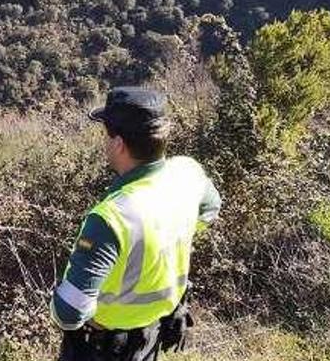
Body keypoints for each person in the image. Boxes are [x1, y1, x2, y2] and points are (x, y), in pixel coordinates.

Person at [51, 86, 222, 361]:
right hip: (151, 335)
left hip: (103, 346)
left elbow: (70, 314)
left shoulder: (111, 218)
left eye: (107, 135)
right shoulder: (188, 172)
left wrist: (57, 299)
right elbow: (211, 209)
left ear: (119, 144)